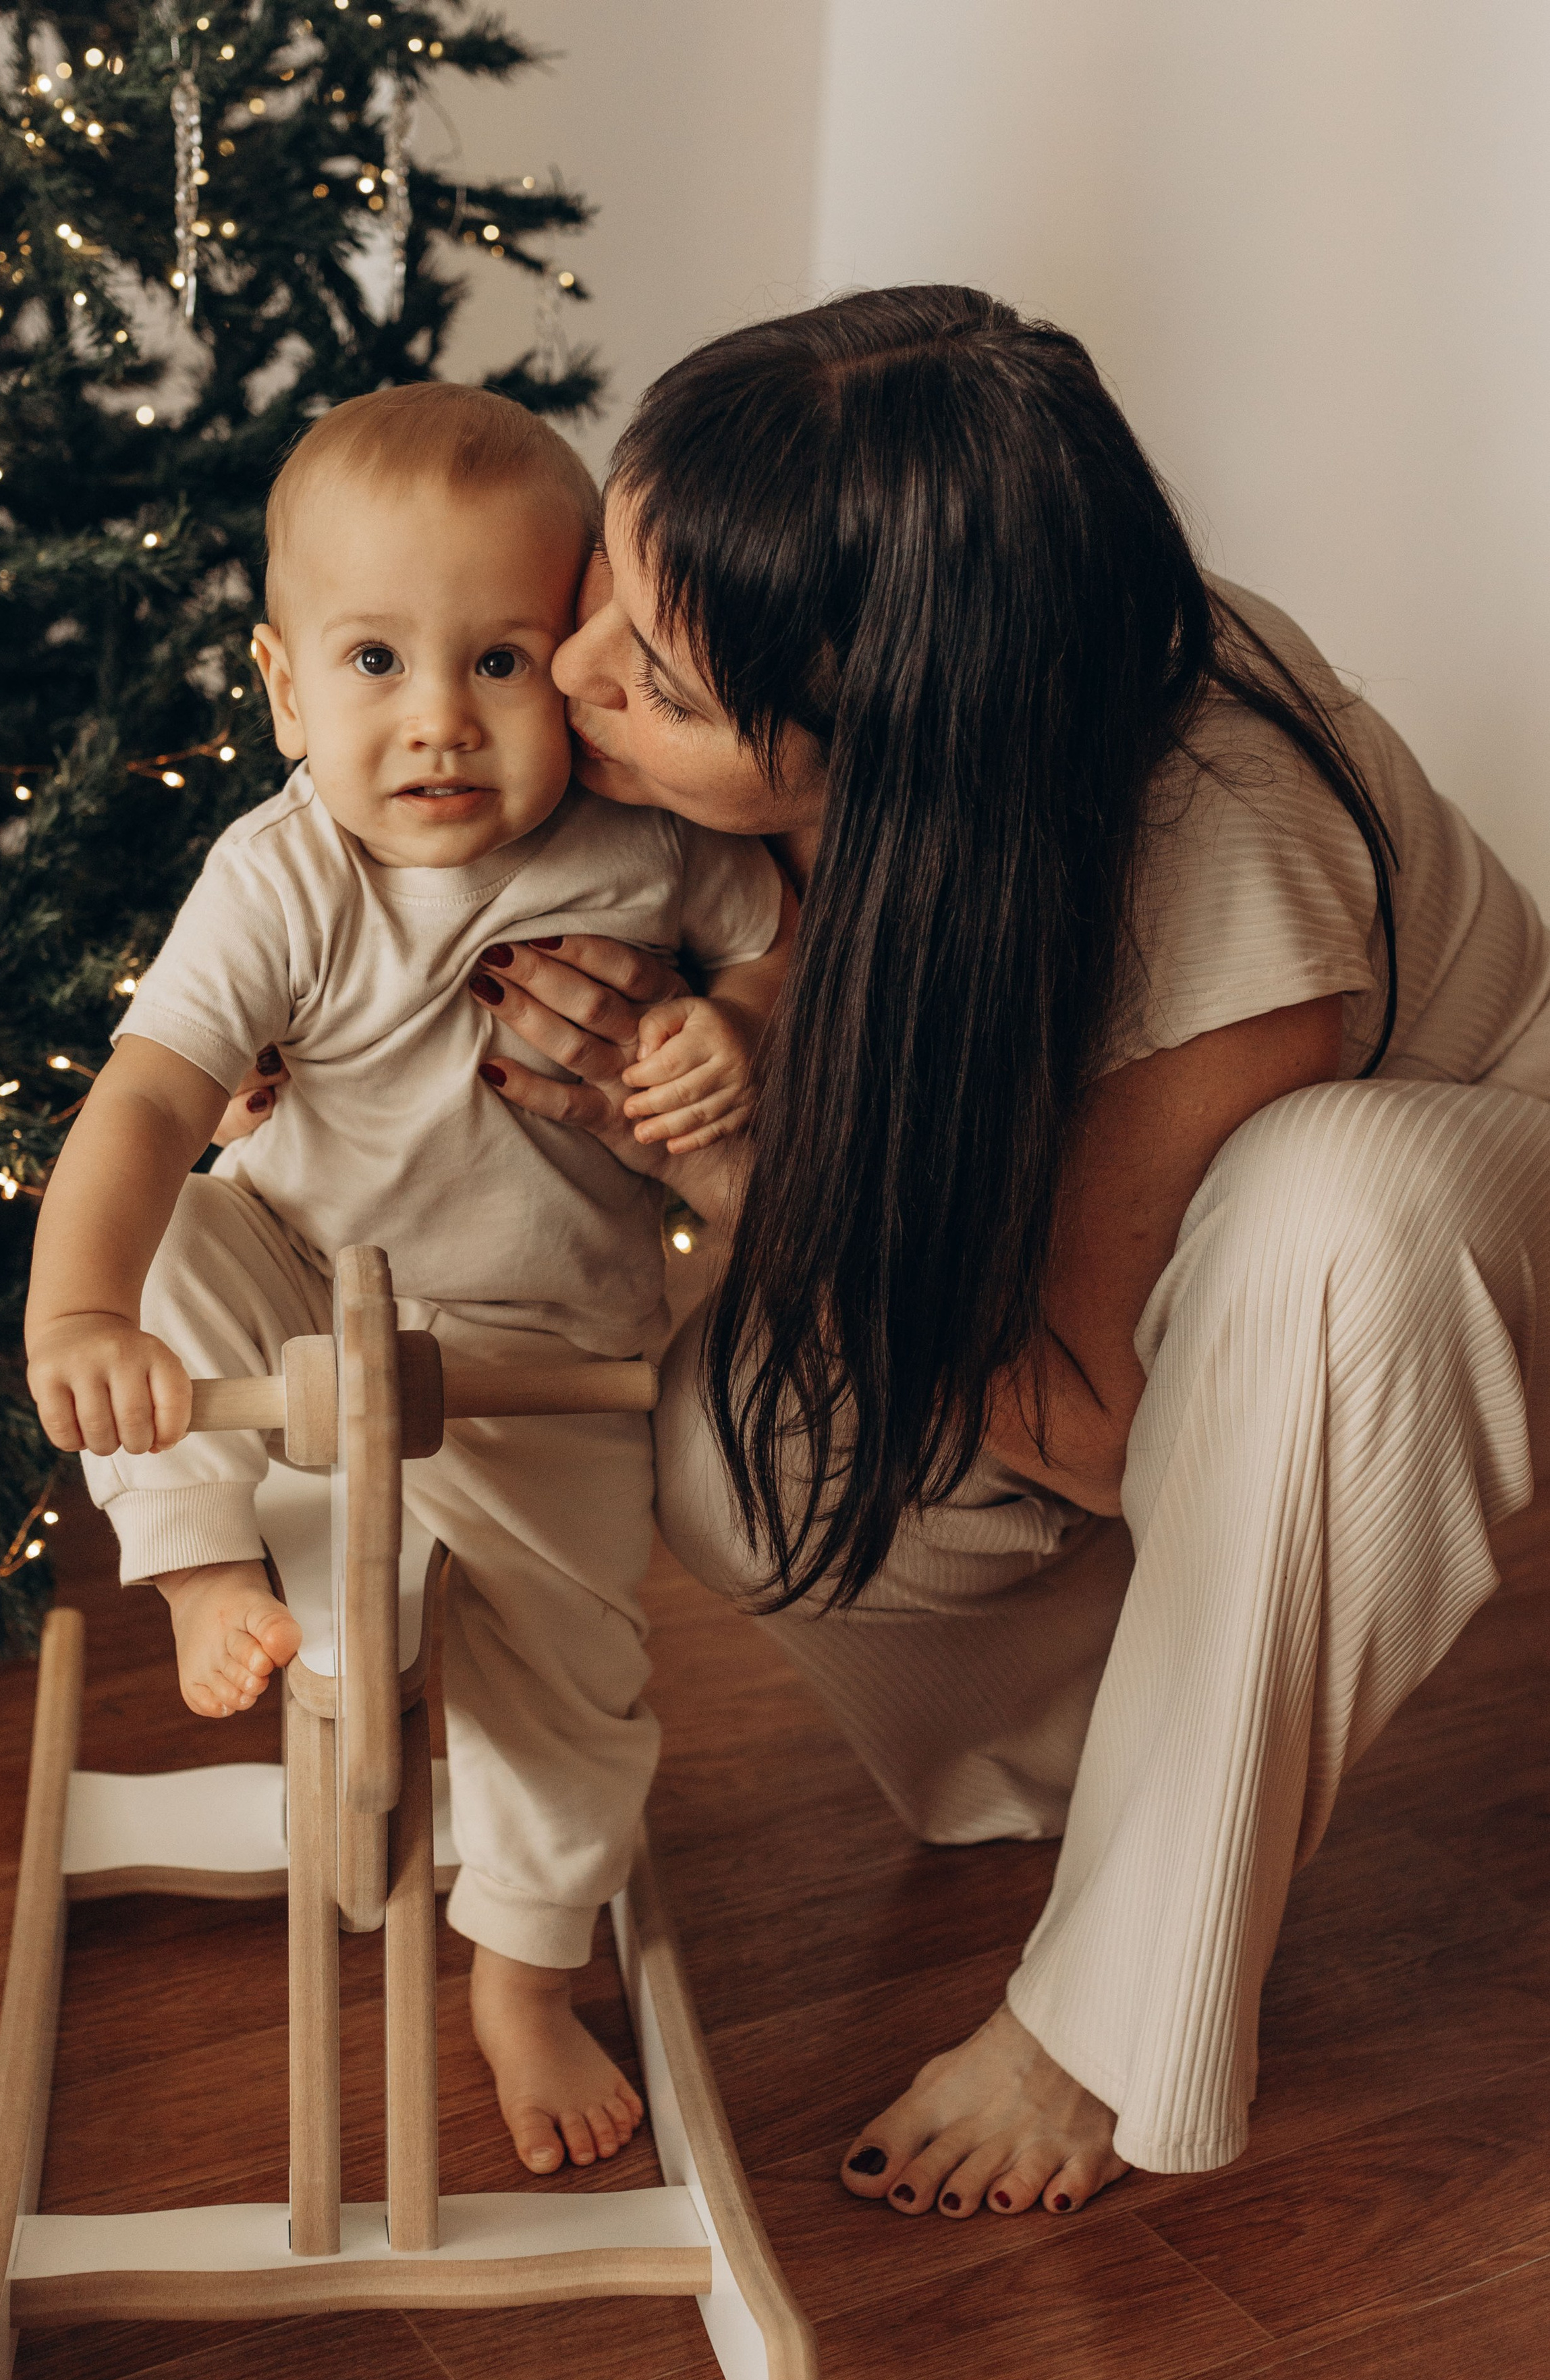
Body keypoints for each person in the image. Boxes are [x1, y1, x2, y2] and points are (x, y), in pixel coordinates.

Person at [457, 284, 1550, 2219]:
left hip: (1406, 1271)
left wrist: (750, 1141)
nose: (583, 667)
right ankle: (1098, 1775)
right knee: (743, 1445)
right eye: (614, 579)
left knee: (1339, 1224)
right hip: (1092, 1308)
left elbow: (1111, 1429)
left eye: (671, 690)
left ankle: (1107, 2015)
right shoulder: (857, 682)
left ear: (888, 763)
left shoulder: (1224, 862)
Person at [22, 383, 790, 2178]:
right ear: (286, 687)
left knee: (575, 1694)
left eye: (503, 659)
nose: (439, 721)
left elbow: (777, 936)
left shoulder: (641, 845)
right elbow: (147, 1097)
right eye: (376, 660)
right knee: (194, 1230)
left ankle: (522, 1976)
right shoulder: (279, 879)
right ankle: (207, 1568)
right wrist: (81, 1312)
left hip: (548, 1355)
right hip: (302, 1308)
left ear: (581, 660)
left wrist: (730, 1027)